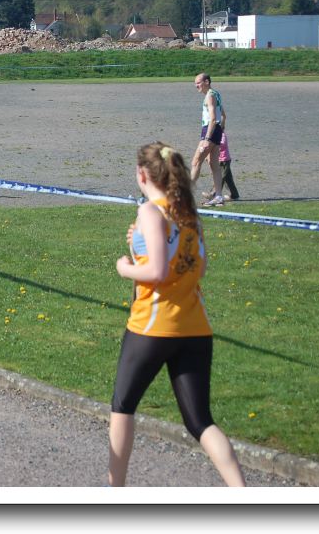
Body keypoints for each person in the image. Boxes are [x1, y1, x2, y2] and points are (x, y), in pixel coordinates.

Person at [109, 142, 246, 487]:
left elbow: (156, 271)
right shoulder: (188, 214)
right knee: (200, 421)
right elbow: (198, 267)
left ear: (142, 175)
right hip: (195, 327)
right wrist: (138, 243)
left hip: (153, 326)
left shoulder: (150, 211)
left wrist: (125, 268)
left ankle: (115, 492)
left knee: (123, 406)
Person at [190, 73, 226, 206]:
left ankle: (185, 195)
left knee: (196, 162)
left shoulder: (210, 96)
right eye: (195, 83)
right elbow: (223, 115)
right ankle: (219, 196)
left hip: (209, 130)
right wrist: (221, 128)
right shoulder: (216, 94)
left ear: (206, 82)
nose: (196, 86)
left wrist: (206, 139)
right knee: (214, 164)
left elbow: (212, 118)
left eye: (198, 83)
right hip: (216, 130)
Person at [202, 131, 240, 202]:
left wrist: (212, 144)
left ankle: (213, 193)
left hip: (224, 160)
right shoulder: (214, 135)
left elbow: (222, 145)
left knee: (221, 177)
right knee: (228, 179)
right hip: (219, 160)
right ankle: (235, 195)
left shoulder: (222, 134)